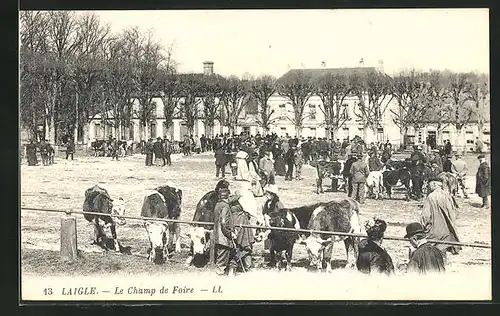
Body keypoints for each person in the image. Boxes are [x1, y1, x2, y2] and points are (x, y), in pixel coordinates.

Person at [420, 177, 461, 256]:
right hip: (447, 232)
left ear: (434, 184)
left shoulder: (431, 197)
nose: (429, 187)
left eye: (430, 185)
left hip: (434, 232)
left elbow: (425, 217)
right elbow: (453, 213)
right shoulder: (447, 195)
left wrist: (422, 227)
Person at [213, 187, 237, 276]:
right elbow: (224, 222)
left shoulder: (217, 205)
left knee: (230, 256)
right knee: (221, 262)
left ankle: (230, 274)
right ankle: (219, 277)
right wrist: (230, 234)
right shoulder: (225, 206)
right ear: (228, 196)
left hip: (218, 236)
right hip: (224, 238)